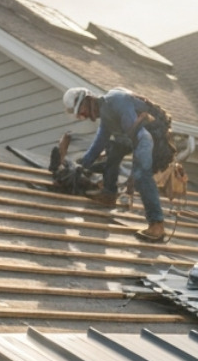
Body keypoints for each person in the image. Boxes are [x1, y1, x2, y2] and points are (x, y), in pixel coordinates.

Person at [62, 86, 169, 243]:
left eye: (82, 111)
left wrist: (133, 177)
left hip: (147, 137)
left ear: (88, 100)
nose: (84, 116)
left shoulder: (116, 100)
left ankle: (157, 225)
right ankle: (109, 193)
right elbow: (100, 142)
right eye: (81, 115)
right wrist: (82, 165)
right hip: (134, 135)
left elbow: (136, 129)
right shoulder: (106, 115)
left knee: (141, 176)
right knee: (113, 147)